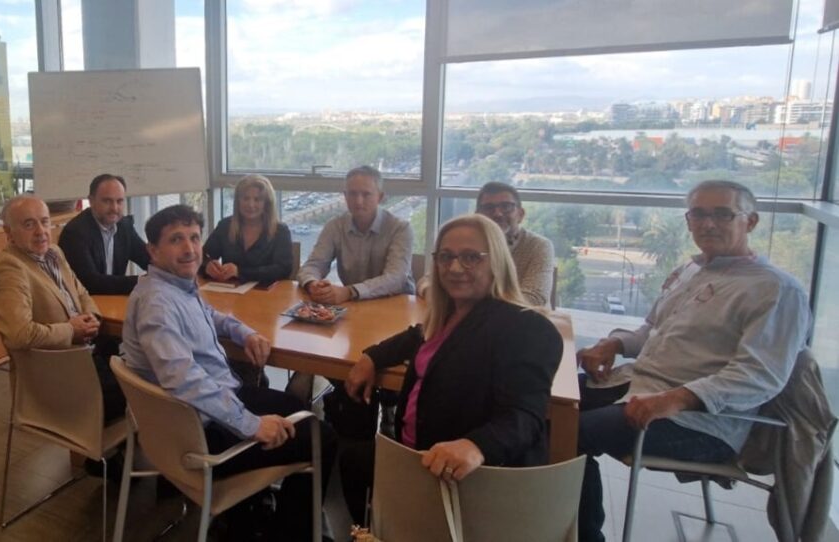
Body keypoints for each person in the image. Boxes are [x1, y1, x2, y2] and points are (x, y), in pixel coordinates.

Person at [576, 180, 812, 542]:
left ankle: (582, 535)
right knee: (537, 400)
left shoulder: (776, 289)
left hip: (698, 422)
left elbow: (759, 375)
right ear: (688, 220)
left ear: (750, 221)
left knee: (566, 433)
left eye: (723, 214)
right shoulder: (691, 270)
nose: (708, 223)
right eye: (699, 214)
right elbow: (652, 331)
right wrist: (614, 343)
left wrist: (677, 398)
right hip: (638, 385)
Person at [120, 204, 336, 541]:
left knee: (297, 409)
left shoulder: (172, 286)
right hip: (201, 435)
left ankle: (247, 517)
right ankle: (287, 533)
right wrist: (252, 425)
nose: (190, 248)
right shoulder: (158, 305)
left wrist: (243, 332)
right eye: (176, 239)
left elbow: (210, 315)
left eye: (194, 238)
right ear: (153, 251)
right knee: (322, 437)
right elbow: (183, 380)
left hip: (202, 411)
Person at [340, 213, 563, 524]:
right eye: (446, 257)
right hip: (418, 454)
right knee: (349, 456)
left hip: (464, 476)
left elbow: (525, 416)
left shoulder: (526, 327)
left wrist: (476, 445)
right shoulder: (449, 314)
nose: (455, 268)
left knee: (349, 458)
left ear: (497, 262)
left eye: (471, 257)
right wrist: (371, 357)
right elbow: (414, 337)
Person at [0, 194, 125, 423]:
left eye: (44, 222)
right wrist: (71, 330)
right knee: (140, 392)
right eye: (29, 224)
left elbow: (81, 292)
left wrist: (91, 316)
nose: (41, 231)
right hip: (57, 376)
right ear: (9, 233)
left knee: (141, 370)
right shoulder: (10, 268)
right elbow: (18, 335)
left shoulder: (53, 252)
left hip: (85, 355)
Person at [418, 181, 556, 307]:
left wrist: (465, 303)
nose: (498, 214)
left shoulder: (539, 246)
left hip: (525, 322)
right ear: (477, 216)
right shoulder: (466, 245)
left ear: (520, 214)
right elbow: (426, 282)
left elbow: (534, 298)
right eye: (489, 208)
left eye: (506, 207)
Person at [297, 165, 414, 304]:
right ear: (345, 196)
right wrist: (313, 283)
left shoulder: (400, 228)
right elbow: (313, 265)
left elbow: (396, 278)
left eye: (366, 194)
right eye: (352, 194)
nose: (359, 201)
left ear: (380, 197)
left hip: (395, 304)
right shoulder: (335, 226)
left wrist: (349, 291)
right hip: (354, 304)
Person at [58, 173, 150, 295]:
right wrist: (142, 281)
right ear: (91, 201)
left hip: (114, 299)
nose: (114, 208)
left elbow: (147, 258)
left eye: (119, 201)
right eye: (107, 201)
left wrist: (169, 269)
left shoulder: (124, 226)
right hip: (87, 301)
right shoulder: (75, 233)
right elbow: (91, 283)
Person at [202, 174, 293, 285]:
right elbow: (202, 257)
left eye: (257, 200)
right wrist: (207, 266)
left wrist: (240, 272)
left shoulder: (280, 231)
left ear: (267, 203)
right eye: (245, 198)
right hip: (229, 291)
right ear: (238, 201)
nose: (250, 204)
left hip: (266, 293)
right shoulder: (225, 226)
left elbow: (283, 270)